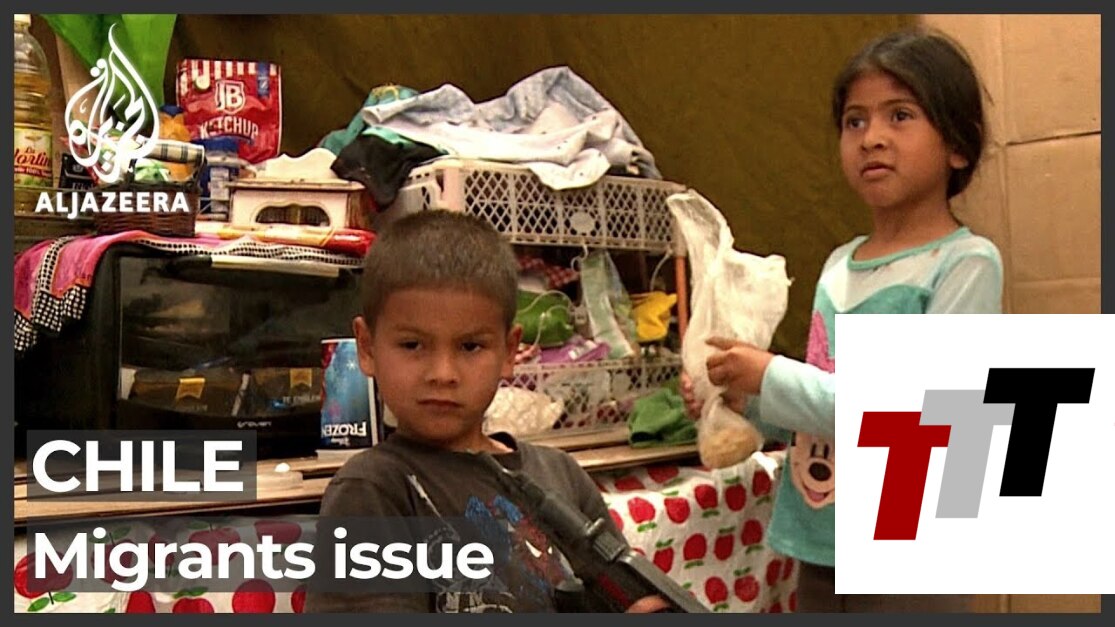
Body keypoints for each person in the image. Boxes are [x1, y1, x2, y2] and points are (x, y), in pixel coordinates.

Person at [683, 28, 1003, 612]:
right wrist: (742, 400)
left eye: (900, 115)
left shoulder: (966, 263)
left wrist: (771, 377)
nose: (872, 137)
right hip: (822, 539)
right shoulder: (839, 266)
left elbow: (917, 417)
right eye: (855, 121)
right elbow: (822, 413)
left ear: (957, 146)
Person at [305, 210, 666, 613]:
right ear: (368, 348)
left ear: (510, 351)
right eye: (412, 345)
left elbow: (625, 599)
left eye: (470, 347)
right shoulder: (372, 490)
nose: (443, 374)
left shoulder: (561, 475)